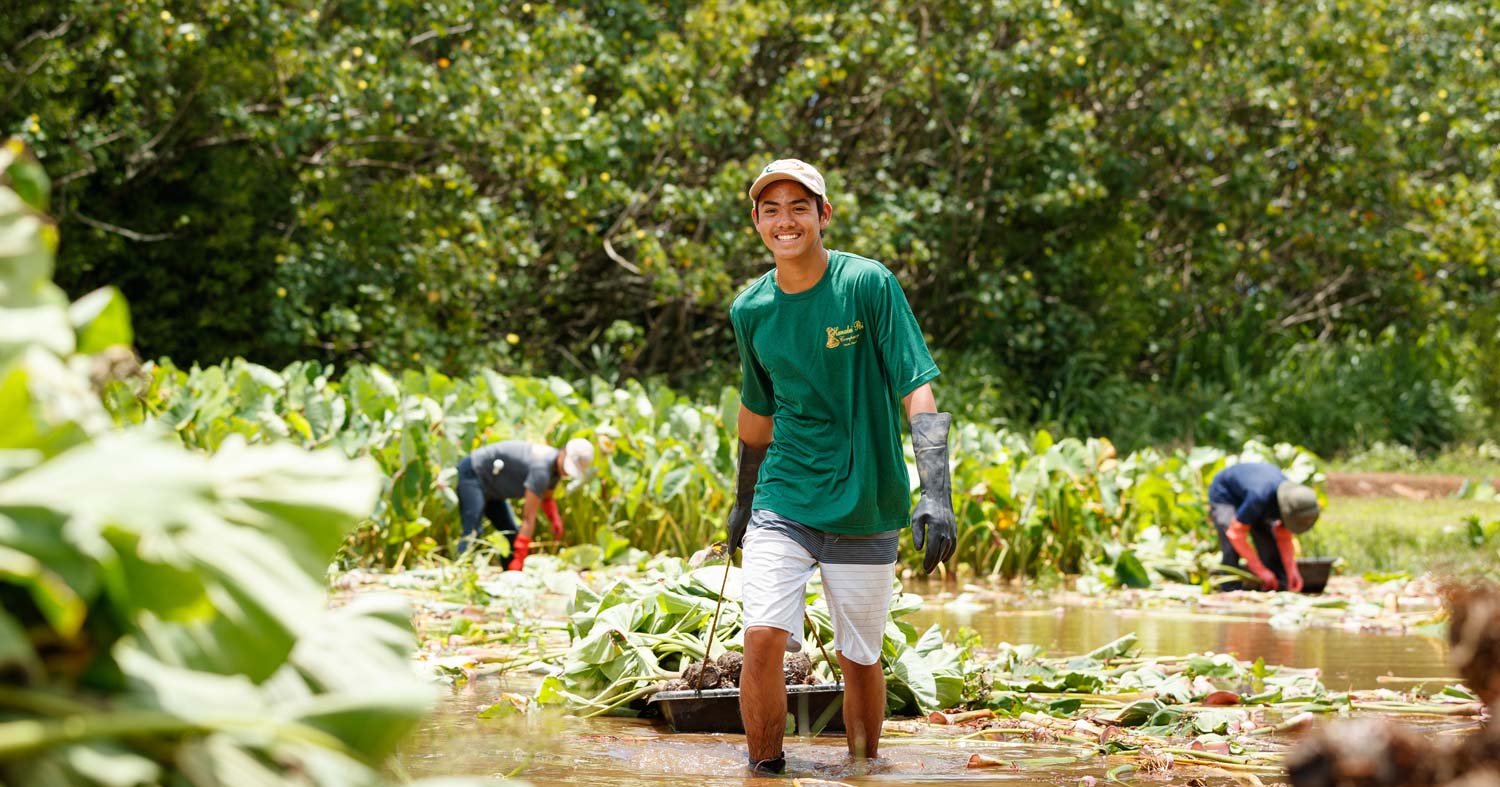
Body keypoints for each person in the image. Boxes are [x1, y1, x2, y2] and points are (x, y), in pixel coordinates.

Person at [724, 158, 957, 774]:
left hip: (865, 499)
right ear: (756, 222)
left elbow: (918, 389)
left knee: (860, 657)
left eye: (799, 206)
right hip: (786, 496)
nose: (785, 220)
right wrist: (744, 501)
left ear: (823, 215)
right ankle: (765, 771)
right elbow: (757, 412)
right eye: (771, 209)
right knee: (763, 637)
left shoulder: (867, 285)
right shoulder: (751, 309)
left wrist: (937, 492)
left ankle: (862, 770)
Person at [454, 437, 594, 570]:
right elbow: (528, 519)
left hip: (494, 490)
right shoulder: (542, 469)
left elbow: (546, 497)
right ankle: (459, 572)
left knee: (512, 534)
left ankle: (508, 577)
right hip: (474, 473)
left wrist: (554, 518)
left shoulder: (555, 470)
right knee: (473, 532)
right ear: (563, 452)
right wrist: (520, 557)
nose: (566, 472)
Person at [1207, 461, 1322, 592]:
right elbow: (1235, 534)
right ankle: (1230, 590)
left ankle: (1278, 585)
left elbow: (1283, 536)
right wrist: (1260, 570)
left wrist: (1292, 571)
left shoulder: (1291, 498)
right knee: (1231, 548)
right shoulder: (1259, 497)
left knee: (1268, 544)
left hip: (1253, 494)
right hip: (1226, 494)